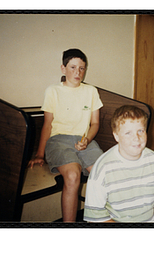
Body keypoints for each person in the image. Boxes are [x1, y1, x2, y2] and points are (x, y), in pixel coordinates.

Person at [28, 48, 103, 222]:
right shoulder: (53, 91)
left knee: (102, 173)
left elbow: (95, 123)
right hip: (59, 141)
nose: (78, 72)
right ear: (63, 68)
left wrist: (87, 140)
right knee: (73, 175)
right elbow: (47, 125)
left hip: (85, 141)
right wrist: (40, 154)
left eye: (82, 68)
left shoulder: (91, 91)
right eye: (73, 67)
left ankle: (102, 220)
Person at [84, 105, 154, 223]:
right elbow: (95, 217)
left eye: (140, 131)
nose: (136, 138)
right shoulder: (102, 169)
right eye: (128, 133)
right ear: (116, 136)